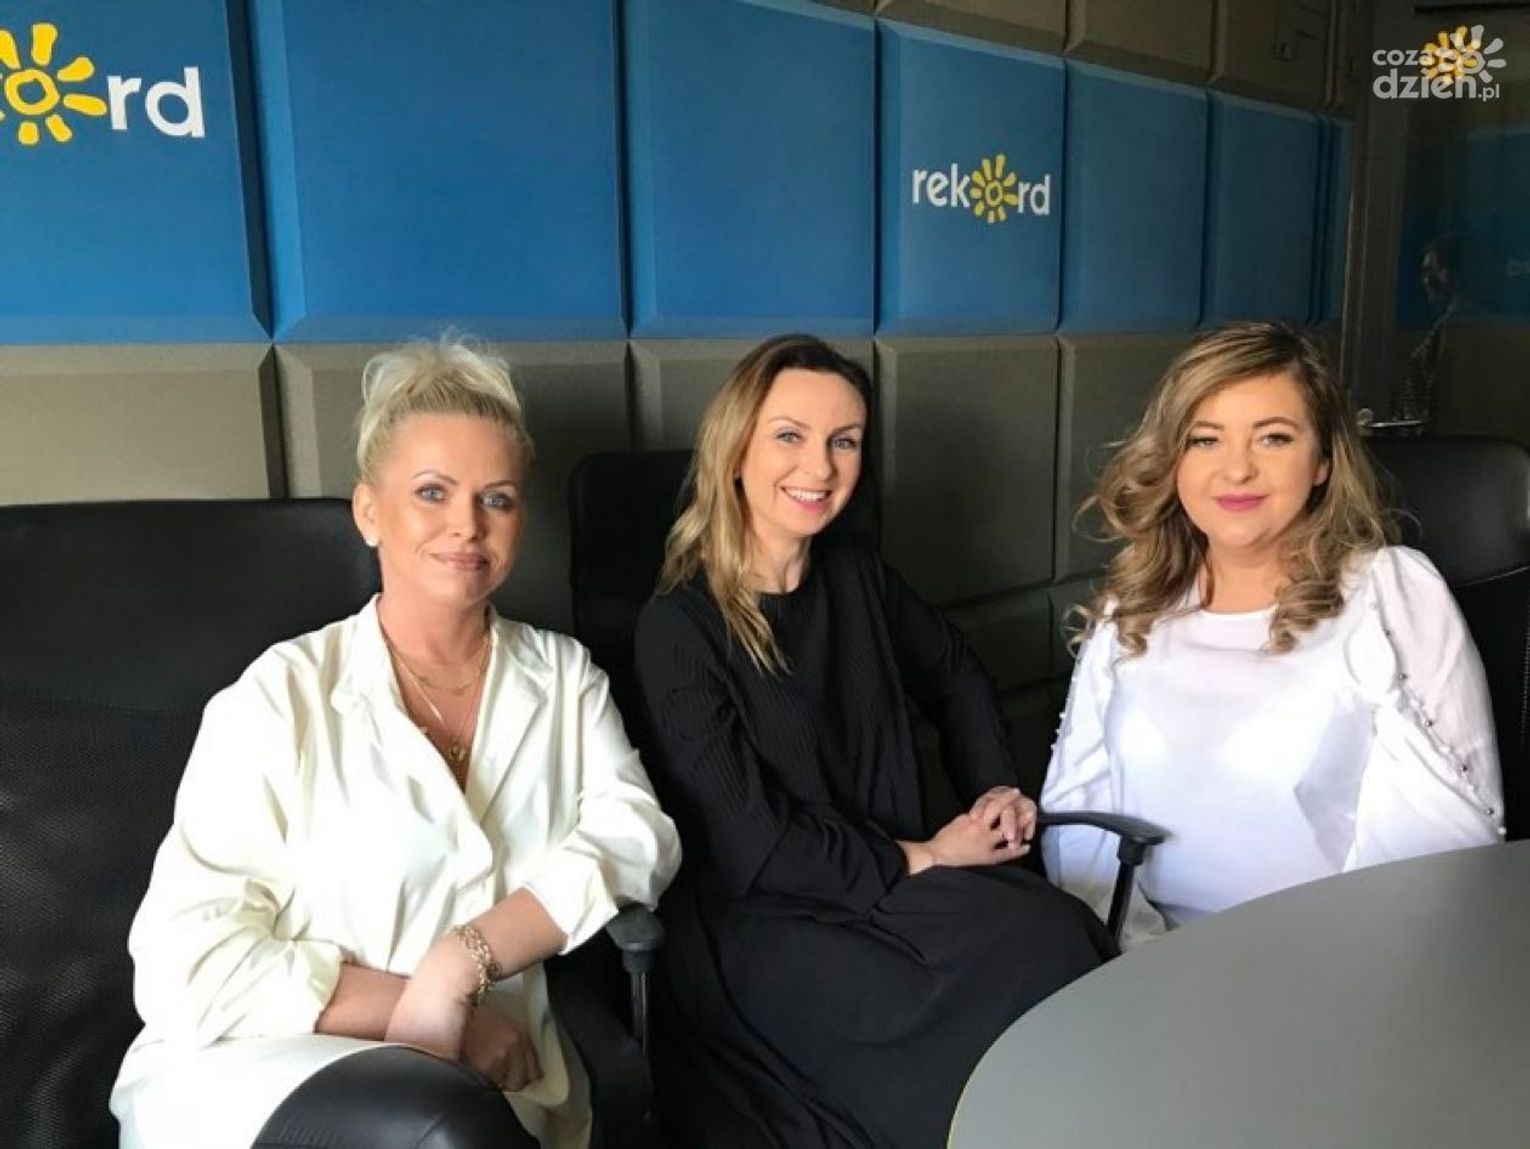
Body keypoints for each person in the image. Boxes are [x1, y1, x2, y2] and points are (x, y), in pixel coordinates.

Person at [110, 339, 681, 1149]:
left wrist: (464, 961)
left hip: (499, 1078)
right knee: (434, 1125)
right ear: (369, 511)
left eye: (497, 499)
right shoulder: (280, 696)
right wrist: (423, 1006)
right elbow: (185, 961)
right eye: (432, 492)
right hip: (272, 1068)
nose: (467, 525)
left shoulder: (563, 678)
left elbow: (638, 835)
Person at [633, 334, 1114, 1149]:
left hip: (895, 881)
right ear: (735, 449)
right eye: (790, 435)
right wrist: (928, 854)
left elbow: (957, 674)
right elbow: (756, 844)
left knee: (1059, 938)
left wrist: (992, 789)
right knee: (976, 1023)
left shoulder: (856, 576)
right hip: (770, 917)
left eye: (844, 440)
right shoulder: (678, 627)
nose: (819, 467)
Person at [1042, 320, 1504, 948]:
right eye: (1206, 440)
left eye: (1274, 438)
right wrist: (1141, 958)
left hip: (1341, 959)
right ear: (1173, 459)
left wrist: (1305, 971)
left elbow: (1446, 835)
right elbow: (1078, 817)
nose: (1237, 470)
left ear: (1322, 461)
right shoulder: (1133, 606)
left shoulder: (1390, 593)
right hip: (1143, 963)